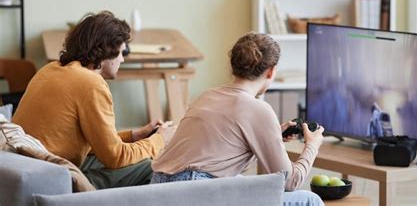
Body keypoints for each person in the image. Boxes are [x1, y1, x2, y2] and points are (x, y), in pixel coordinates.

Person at [150, 32, 325, 206]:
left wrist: (270, 137)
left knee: (243, 181)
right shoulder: (259, 110)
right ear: (271, 72)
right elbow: (290, 182)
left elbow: (223, 161)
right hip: (196, 193)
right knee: (310, 200)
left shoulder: (207, 95)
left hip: (159, 188)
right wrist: (312, 146)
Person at [13, 11, 175, 189]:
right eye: (121, 52)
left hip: (28, 168)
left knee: (139, 155)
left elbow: (91, 143)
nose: (122, 59)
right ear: (106, 50)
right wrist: (159, 140)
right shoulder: (91, 84)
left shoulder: (50, 69)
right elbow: (115, 157)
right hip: (53, 177)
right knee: (151, 166)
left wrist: (134, 136)